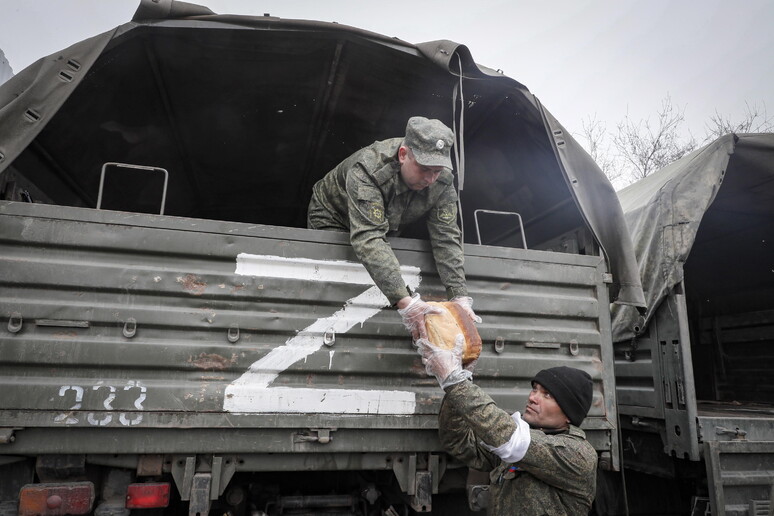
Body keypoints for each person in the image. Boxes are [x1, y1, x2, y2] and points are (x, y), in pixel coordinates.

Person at [308, 116, 480, 338]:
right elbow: (369, 237)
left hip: (385, 222)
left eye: (436, 170)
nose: (430, 179)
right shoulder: (368, 168)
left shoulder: (442, 180)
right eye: (425, 168)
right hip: (333, 216)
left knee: (383, 280)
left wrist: (459, 295)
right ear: (403, 155)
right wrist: (406, 302)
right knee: (340, 280)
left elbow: (446, 238)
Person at [416, 338, 598, 515]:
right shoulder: (519, 444)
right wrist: (462, 380)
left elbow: (510, 439)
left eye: (547, 394)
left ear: (569, 413)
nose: (533, 397)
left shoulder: (577, 455)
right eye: (535, 389)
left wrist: (455, 381)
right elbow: (459, 442)